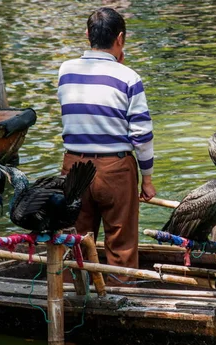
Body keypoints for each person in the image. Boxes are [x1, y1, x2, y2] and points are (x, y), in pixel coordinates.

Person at [58, 7, 156, 272]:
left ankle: (73, 297)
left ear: (88, 35)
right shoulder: (129, 77)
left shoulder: (65, 71)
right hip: (115, 169)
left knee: (74, 242)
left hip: (74, 167)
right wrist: (146, 179)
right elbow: (142, 135)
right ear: (120, 38)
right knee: (121, 245)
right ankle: (120, 297)